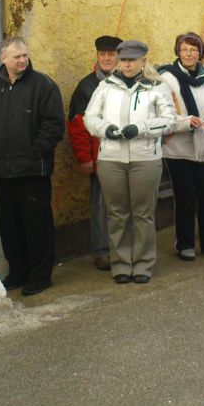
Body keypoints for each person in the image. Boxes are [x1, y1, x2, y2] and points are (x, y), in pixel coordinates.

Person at [84, 40, 175, 283]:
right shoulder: (105, 86)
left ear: (143, 61)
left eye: (131, 60)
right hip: (111, 158)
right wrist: (106, 129)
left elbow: (169, 119)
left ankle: (143, 264)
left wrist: (142, 128)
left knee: (143, 214)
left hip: (145, 159)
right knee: (117, 214)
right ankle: (121, 264)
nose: (126, 64)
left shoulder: (157, 87)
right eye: (123, 60)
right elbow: (90, 117)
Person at [0, 37, 65, 297]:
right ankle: (17, 272)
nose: (22, 60)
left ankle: (40, 275)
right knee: (10, 227)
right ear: (3, 58)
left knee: (36, 225)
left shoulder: (43, 85)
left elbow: (53, 126)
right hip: (3, 172)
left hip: (32, 171)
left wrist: (35, 151)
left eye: (25, 55)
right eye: (17, 56)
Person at [159, 33, 204, 261]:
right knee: (185, 197)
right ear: (177, 52)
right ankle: (185, 243)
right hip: (177, 148)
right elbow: (164, 114)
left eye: (193, 49)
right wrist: (185, 122)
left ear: (200, 53)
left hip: (202, 145)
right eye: (184, 50)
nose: (188, 54)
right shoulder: (166, 79)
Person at [67, 35, 122, 271]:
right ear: (98, 56)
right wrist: (85, 158)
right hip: (99, 158)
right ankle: (101, 251)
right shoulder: (87, 86)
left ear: (119, 56)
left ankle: (122, 249)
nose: (107, 58)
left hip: (125, 156)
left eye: (111, 54)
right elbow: (77, 126)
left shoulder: (127, 81)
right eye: (103, 54)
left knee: (123, 205)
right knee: (100, 207)